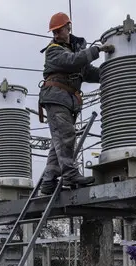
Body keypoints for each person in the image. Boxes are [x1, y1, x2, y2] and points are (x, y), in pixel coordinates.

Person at [38, 12, 115, 195]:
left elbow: (87, 72)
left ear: (68, 28)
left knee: (59, 141)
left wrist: (112, 70)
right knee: (66, 135)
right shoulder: (54, 50)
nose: (56, 34)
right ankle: (70, 174)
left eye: (59, 30)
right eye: (54, 32)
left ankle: (48, 181)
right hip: (56, 98)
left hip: (67, 101)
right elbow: (72, 62)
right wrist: (97, 50)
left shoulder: (74, 50)